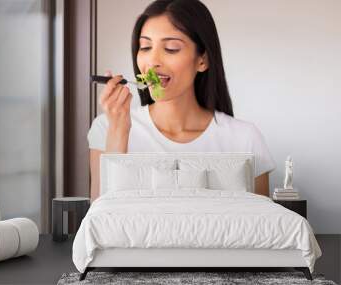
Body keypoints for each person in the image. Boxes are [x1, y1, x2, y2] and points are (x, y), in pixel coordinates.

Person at [87, 0, 276, 202]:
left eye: (171, 48)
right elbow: (100, 217)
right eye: (145, 47)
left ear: (202, 59)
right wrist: (118, 130)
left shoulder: (244, 138)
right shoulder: (107, 127)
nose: (152, 61)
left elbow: (260, 225)